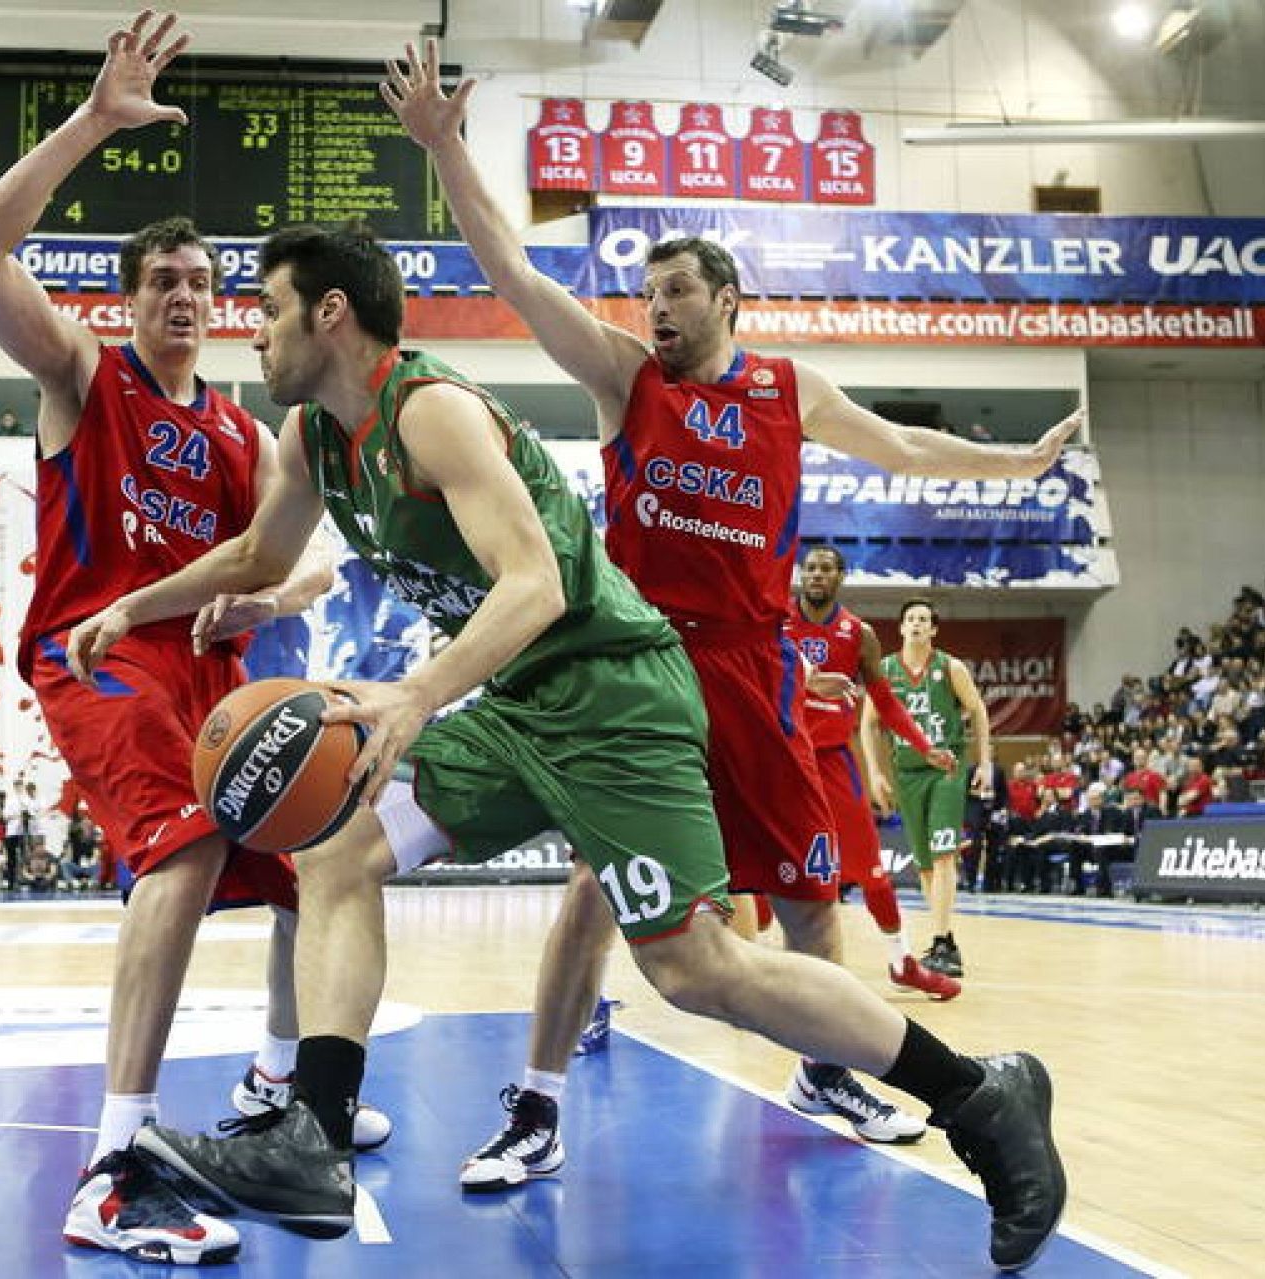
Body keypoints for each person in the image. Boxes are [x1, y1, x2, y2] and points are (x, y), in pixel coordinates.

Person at [60, 209, 1066, 1267]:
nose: (249, 335)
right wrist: (137, 607)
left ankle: (977, 1094)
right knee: (335, 843)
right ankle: (314, 1134)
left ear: (329, 314)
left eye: (265, 312)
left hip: (615, 697)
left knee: (696, 970)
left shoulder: (432, 412)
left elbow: (534, 585)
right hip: (520, 704)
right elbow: (259, 552)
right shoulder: (311, 436)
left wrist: (414, 694)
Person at [379, 40, 1081, 1187]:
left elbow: (903, 444)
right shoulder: (623, 379)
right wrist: (447, 147)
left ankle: (824, 1064)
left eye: (674, 293)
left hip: (751, 669)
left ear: (727, 299)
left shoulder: (787, 389)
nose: (653, 310)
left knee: (808, 885)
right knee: (598, 890)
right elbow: (512, 272)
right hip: (635, 667)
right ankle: (539, 1101)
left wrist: (1012, 459)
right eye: (646, 294)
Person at [0, 12, 378, 1265]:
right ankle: (112, 1164)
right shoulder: (85, 377)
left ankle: (276, 1087)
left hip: (209, 678)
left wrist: (270, 602)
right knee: (181, 854)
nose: (186, 298)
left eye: (202, 285)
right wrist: (95, 121)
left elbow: (284, 572)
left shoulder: (251, 438)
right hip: (99, 653)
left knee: (325, 848)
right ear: (129, 302)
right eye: (163, 284)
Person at [786, 547, 961, 1000]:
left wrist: (926, 747)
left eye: (826, 568)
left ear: (841, 577)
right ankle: (765, 966)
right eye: (811, 568)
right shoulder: (776, 621)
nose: (817, 575)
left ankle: (901, 960)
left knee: (871, 871)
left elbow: (886, 705)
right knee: (776, 872)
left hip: (831, 760)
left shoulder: (857, 635)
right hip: (784, 757)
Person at [864, 600, 993, 976]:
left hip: (946, 770)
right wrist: (875, 773)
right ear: (901, 628)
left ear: (933, 630)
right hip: (907, 774)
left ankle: (939, 941)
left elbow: (979, 709)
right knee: (923, 866)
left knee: (942, 856)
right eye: (911, 619)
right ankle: (946, 940)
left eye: (924, 619)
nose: (917, 624)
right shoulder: (885, 669)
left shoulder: (950, 668)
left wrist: (983, 762)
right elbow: (868, 724)